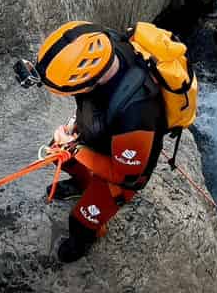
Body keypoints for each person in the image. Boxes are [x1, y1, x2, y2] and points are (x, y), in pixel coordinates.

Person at [14, 21, 165, 263]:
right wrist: (75, 127)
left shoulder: (136, 114)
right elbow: (90, 101)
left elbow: (125, 175)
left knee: (81, 220)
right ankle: (83, 185)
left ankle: (85, 240)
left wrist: (73, 148)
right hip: (101, 135)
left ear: (87, 81)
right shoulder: (108, 47)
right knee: (56, 151)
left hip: (124, 167)